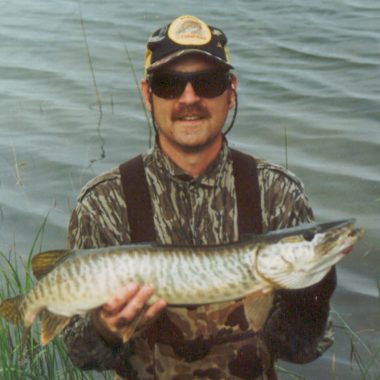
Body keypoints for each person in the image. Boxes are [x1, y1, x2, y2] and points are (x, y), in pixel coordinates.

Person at [63, 15, 336, 380]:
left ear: (232, 91)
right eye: (169, 84)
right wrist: (105, 330)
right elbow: (80, 354)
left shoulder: (277, 192)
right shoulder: (105, 203)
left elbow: (298, 350)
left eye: (207, 83)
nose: (189, 98)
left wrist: (314, 294)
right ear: (147, 94)